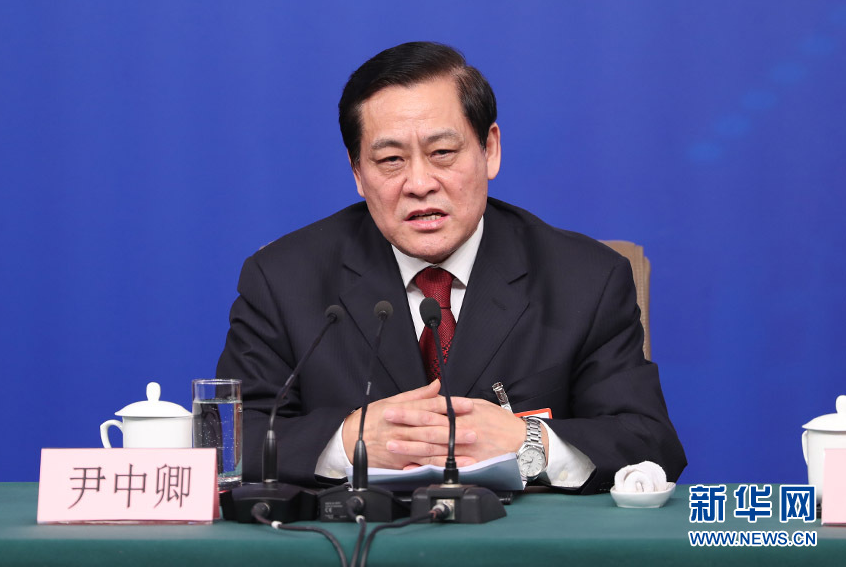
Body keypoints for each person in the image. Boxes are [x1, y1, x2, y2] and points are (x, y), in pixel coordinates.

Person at [216, 41, 686, 494]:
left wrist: (528, 443)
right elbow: (227, 442)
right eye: (390, 160)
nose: (420, 183)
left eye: (442, 153)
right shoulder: (283, 279)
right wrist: (344, 444)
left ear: (490, 149)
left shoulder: (585, 279)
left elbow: (649, 442)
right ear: (358, 172)